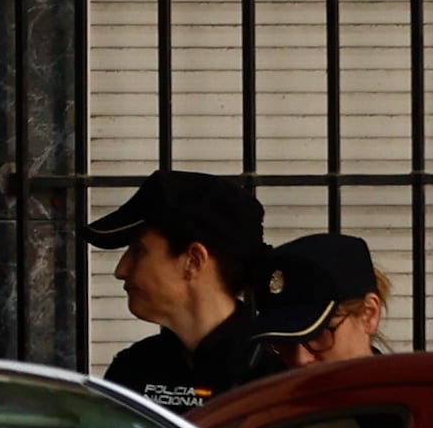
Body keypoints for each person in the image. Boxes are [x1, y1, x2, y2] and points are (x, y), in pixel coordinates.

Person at [85, 166, 276, 406]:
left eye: (138, 251)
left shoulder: (278, 374)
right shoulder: (133, 368)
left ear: (194, 261)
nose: (120, 270)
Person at [259, 231, 391, 366]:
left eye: (317, 335)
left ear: (369, 314)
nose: (300, 359)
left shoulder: (407, 386)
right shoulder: (263, 384)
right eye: (283, 342)